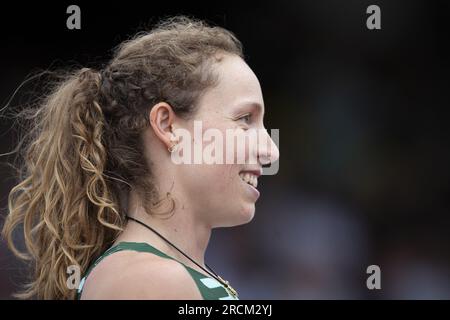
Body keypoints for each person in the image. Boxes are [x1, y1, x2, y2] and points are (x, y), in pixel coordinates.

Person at [1, 16, 279, 300]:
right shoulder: (149, 280)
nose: (271, 151)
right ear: (168, 127)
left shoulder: (159, 272)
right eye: (245, 119)